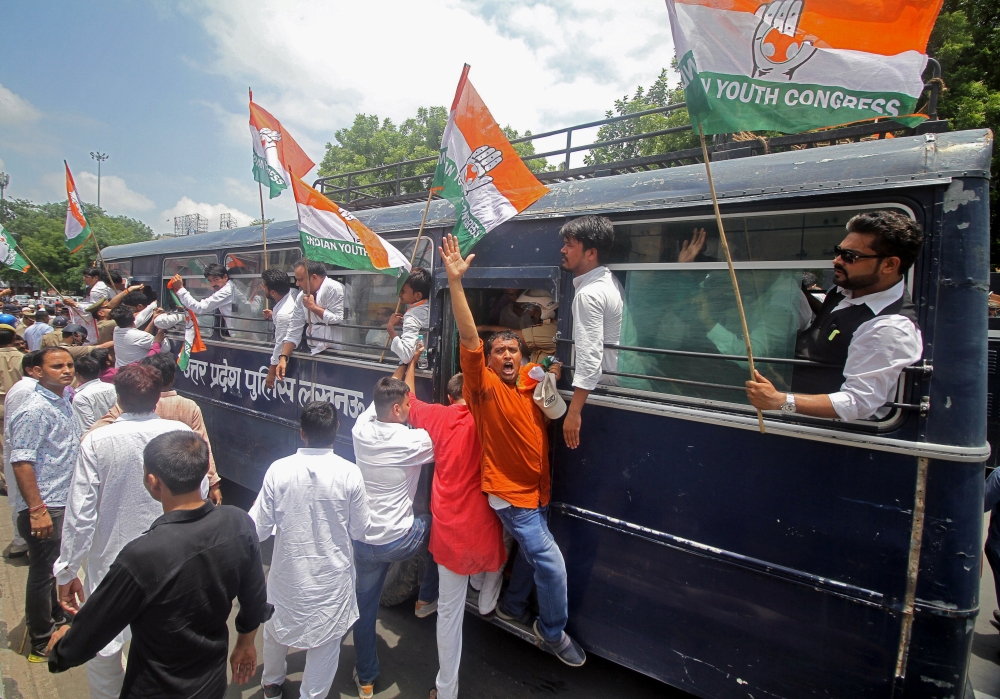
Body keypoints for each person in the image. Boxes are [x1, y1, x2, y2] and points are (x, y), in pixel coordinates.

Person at [440, 233, 585, 666]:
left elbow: (555, 408)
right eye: (499, 350)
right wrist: (455, 284)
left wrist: (551, 378)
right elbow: (468, 336)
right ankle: (553, 632)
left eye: (513, 349)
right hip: (512, 497)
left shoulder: (530, 383)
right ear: (487, 360)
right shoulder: (483, 388)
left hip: (538, 490)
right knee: (552, 562)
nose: (507, 354)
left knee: (529, 554)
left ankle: (513, 605)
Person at [46, 431, 272, 698]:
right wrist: (245, 643)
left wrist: (61, 648)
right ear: (202, 476)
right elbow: (255, 597)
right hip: (211, 683)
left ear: (153, 482)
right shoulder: (239, 523)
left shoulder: (141, 556)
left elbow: (92, 631)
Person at [54, 365, 197, 699]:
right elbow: (197, 496)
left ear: (118, 398)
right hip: (172, 561)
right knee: (163, 647)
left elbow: (80, 514)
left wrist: (67, 570)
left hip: (111, 564)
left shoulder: (97, 441)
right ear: (158, 397)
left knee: (105, 650)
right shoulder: (180, 434)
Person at [392, 351, 506, 699]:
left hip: (449, 535)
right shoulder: (490, 417)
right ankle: (487, 596)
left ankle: (446, 689)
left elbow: (407, 398)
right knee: (503, 550)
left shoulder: (439, 417)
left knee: (449, 616)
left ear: (449, 397)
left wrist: (411, 363)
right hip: (484, 529)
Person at [746, 210, 924, 421]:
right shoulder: (848, 290)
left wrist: (781, 401)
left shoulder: (888, 328)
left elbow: (859, 402)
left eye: (850, 256)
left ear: (889, 265)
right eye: (838, 251)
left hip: (814, 427)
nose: (836, 261)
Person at [249, 401, 371, 699]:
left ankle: (271, 684)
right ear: (336, 431)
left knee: (276, 629)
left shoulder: (279, 470)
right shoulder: (349, 473)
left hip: (287, 576)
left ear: (302, 433)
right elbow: (360, 529)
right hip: (331, 582)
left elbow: (258, 528)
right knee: (326, 643)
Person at [351, 376, 436, 698]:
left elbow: (377, 403)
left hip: (364, 541)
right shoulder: (414, 441)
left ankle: (367, 679)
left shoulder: (360, 430)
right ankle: (428, 596)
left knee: (364, 609)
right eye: (409, 405)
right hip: (402, 539)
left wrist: (406, 368)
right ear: (399, 409)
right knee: (436, 521)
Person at [9, 347, 79, 661]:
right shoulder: (34, 408)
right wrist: (37, 510)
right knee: (43, 573)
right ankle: (40, 637)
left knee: (55, 568)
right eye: (56, 366)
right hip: (46, 505)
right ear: (37, 371)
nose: (66, 370)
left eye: (69, 364)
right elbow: (22, 461)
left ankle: (57, 618)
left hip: (63, 500)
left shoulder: (64, 399)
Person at [87, 353, 223, 504]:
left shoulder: (135, 403)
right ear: (172, 379)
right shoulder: (188, 406)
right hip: (178, 481)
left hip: (145, 479)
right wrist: (213, 483)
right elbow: (203, 446)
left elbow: (96, 430)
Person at [559, 215, 623, 450]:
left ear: (591, 253)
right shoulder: (610, 281)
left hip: (604, 386)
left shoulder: (589, 294)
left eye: (570, 244)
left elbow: (589, 358)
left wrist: (574, 413)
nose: (563, 250)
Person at [275, 259, 345, 380]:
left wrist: (313, 307)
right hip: (313, 350)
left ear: (314, 278)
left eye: (300, 280)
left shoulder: (334, 288)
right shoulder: (301, 296)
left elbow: (338, 318)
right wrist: (283, 357)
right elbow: (294, 328)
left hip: (337, 353)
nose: (297, 284)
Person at [4, 351, 40, 559]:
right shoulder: (26, 390)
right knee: (22, 497)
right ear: (33, 370)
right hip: (23, 455)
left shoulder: (28, 388)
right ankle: (21, 542)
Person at [477, 289, 559, 365]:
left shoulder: (550, 329)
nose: (531, 313)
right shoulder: (506, 312)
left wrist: (484, 328)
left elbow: (515, 335)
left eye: (536, 309)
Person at [170, 263, 238, 336]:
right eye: (210, 281)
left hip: (240, 334)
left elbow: (200, 308)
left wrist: (180, 289)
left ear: (225, 277)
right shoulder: (231, 288)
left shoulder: (226, 291)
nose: (213, 284)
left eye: (216, 279)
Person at [260, 269, 299, 390]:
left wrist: (271, 372)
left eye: (264, 286)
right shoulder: (292, 292)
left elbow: (280, 344)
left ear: (272, 292)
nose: (262, 288)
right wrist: (273, 315)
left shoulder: (284, 313)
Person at [387, 267, 431, 365]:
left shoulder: (411, 317)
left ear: (418, 296)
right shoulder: (428, 305)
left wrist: (390, 329)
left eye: (403, 291)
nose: (399, 294)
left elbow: (406, 356)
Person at [72, 352, 117, 432]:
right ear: (99, 371)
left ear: (77, 374)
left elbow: (87, 428)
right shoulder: (113, 387)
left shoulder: (81, 397)